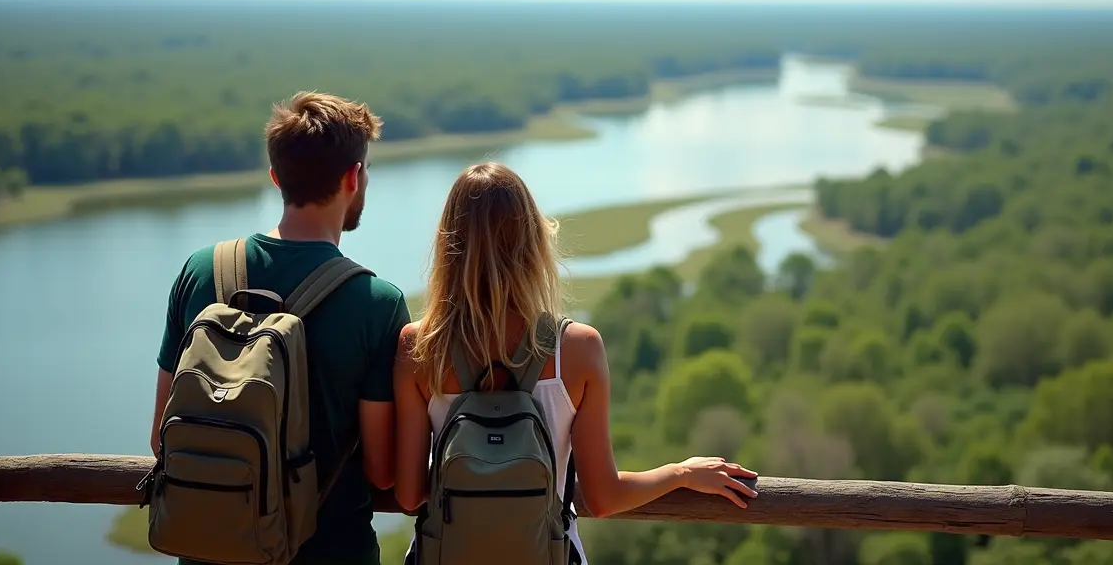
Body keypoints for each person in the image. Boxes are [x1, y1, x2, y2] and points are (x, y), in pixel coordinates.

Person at [390, 162, 759, 563]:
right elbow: (603, 497)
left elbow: (410, 495)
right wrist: (682, 473)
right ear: (532, 244)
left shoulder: (419, 347)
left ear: (449, 246)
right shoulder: (577, 350)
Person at [150, 91, 410, 565]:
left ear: (276, 177)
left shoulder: (200, 271)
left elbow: (160, 437)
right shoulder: (378, 304)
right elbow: (381, 471)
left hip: (212, 551)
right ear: (353, 177)